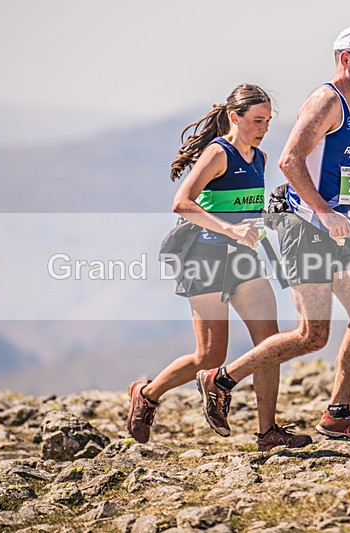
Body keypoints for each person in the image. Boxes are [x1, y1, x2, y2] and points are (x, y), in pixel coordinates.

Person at [195, 26, 350, 447]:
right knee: (312, 334)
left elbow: (326, 168)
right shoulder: (327, 100)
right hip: (303, 226)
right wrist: (324, 212)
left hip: (329, 226)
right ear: (346, 59)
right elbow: (289, 161)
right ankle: (221, 379)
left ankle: (337, 415)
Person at [127, 83, 313, 452]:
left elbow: (246, 209)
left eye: (268, 121)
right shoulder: (218, 153)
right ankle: (146, 394)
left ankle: (268, 432)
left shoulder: (259, 158)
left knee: (269, 344)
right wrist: (231, 229)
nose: (263, 128)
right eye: (256, 120)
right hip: (205, 257)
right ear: (234, 117)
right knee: (210, 356)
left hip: (243, 259)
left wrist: (275, 220)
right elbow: (182, 203)